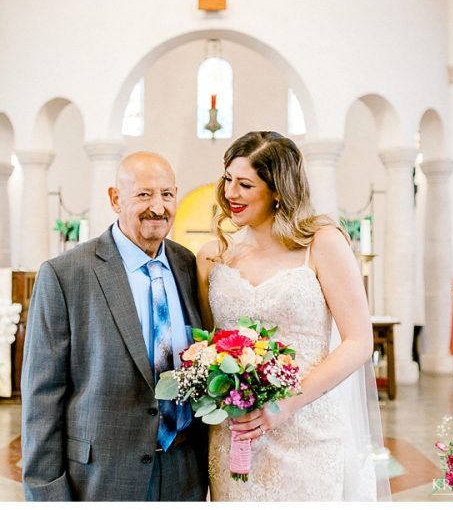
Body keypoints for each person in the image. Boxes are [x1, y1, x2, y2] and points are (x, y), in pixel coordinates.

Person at [197, 131, 390, 501]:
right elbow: (208, 343)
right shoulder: (213, 257)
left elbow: (358, 341)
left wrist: (284, 405)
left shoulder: (322, 243)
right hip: (236, 434)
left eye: (245, 184)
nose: (230, 194)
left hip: (308, 433)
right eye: (227, 180)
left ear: (278, 190)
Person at [21, 151, 208, 501]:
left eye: (168, 194)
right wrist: (46, 495)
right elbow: (42, 397)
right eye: (144, 194)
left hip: (184, 474)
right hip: (100, 478)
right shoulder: (66, 274)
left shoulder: (188, 266)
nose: (158, 206)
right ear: (115, 199)